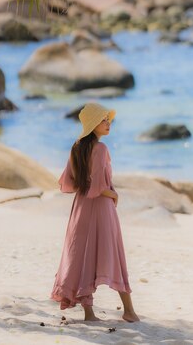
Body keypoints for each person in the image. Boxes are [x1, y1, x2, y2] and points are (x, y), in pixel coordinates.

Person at [50, 102, 139, 323]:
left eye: (108, 119)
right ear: (92, 124)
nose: (108, 123)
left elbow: (67, 182)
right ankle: (128, 311)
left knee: (82, 257)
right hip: (100, 208)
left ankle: (89, 314)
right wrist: (114, 195)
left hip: (80, 209)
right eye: (103, 120)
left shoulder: (76, 147)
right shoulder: (100, 149)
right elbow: (99, 186)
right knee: (115, 255)